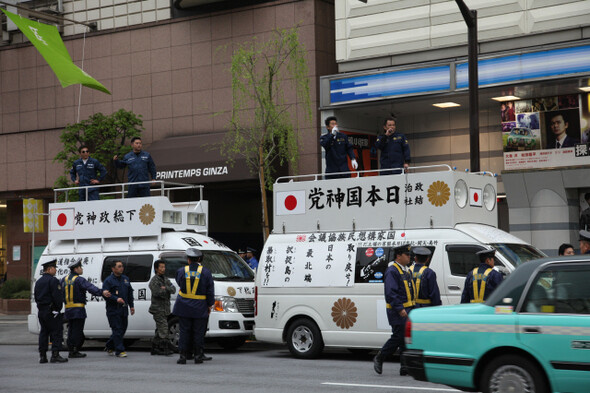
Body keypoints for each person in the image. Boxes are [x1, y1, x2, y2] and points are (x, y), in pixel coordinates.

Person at [373, 244, 415, 376]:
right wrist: (399, 308)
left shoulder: (406, 270)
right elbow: (391, 293)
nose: (409, 257)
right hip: (398, 311)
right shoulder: (393, 270)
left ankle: (404, 367)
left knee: (404, 338)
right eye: (407, 255)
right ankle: (380, 356)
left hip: (408, 309)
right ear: (399, 256)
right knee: (398, 337)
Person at [172, 248, 215, 364]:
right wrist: (210, 304)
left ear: (188, 259)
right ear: (200, 259)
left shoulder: (181, 271)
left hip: (183, 306)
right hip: (200, 306)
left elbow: (179, 282)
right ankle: (198, 355)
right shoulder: (206, 272)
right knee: (198, 332)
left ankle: (183, 356)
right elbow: (210, 291)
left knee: (184, 331)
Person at [62, 260, 111, 358]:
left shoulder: (64, 279)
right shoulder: (79, 280)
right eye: (80, 267)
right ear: (76, 269)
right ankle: (75, 351)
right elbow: (90, 288)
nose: (82, 269)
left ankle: (71, 349)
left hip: (68, 309)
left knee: (71, 330)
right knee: (77, 330)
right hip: (78, 310)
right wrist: (101, 292)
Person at [34, 259, 68, 364]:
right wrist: (57, 309)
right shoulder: (53, 280)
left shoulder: (39, 281)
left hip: (41, 310)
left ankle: (43, 356)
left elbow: (36, 296)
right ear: (49, 269)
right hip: (51, 311)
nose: (56, 270)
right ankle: (55, 355)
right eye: (54, 268)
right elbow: (57, 297)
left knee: (44, 332)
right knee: (56, 332)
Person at [102, 260, 135, 358]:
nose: (122, 268)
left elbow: (129, 293)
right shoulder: (108, 280)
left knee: (122, 329)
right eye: (119, 266)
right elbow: (106, 294)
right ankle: (120, 350)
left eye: (122, 266)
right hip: (113, 309)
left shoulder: (125, 279)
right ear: (113, 269)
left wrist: (131, 306)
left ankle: (109, 345)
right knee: (117, 329)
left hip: (123, 309)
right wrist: (116, 299)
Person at [148, 259, 176, 356]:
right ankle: (165, 348)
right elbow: (156, 292)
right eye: (161, 267)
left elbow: (173, 289)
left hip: (165, 309)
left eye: (164, 267)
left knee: (160, 329)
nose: (163, 269)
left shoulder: (165, 279)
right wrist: (164, 290)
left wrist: (166, 288)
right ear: (156, 269)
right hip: (158, 309)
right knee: (164, 328)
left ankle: (154, 347)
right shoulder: (154, 280)